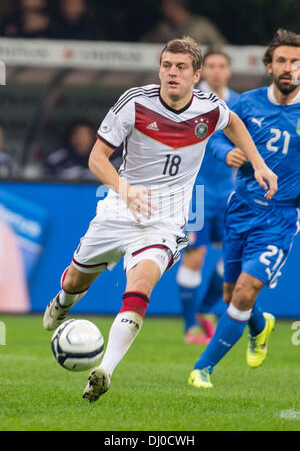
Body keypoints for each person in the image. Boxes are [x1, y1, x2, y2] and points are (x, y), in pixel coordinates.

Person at [42, 36, 277, 403]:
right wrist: (126, 190)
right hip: (119, 209)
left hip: (164, 221)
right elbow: (96, 159)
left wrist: (259, 163)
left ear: (196, 75)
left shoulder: (209, 107)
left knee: (140, 288)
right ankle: (64, 301)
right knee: (75, 280)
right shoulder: (134, 103)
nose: (172, 73)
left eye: (181, 67)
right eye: (167, 65)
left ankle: (105, 370)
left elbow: (232, 124)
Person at [188, 28, 300, 390]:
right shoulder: (246, 103)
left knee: (244, 291)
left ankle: (202, 368)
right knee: (230, 294)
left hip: (281, 217)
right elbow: (217, 134)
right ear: (269, 66)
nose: (288, 67)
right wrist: (226, 152)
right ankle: (259, 325)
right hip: (241, 209)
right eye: (281, 60)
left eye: (296, 61)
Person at [176, 51, 242, 344]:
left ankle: (204, 311)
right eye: (211, 66)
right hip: (196, 191)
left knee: (233, 257)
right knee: (195, 255)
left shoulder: (240, 102)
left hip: (230, 192)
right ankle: (191, 326)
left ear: (229, 71)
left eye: (222, 66)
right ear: (202, 72)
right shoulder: (191, 101)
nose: (216, 71)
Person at [141, 0, 227, 45]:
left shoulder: (202, 27)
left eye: (165, 4)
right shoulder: (162, 28)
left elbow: (223, 49)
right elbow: (141, 48)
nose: (162, 8)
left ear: (176, 5)